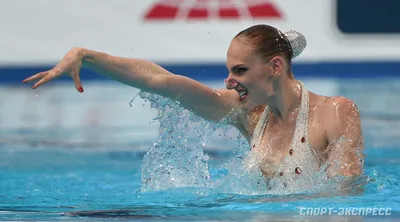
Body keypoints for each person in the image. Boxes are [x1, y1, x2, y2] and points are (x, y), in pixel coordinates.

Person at [23, 25, 365, 191]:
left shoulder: (334, 112)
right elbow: (162, 80)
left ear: (276, 67)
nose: (230, 82)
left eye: (240, 71)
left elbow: (345, 197)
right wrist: (88, 56)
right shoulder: (247, 113)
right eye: (230, 70)